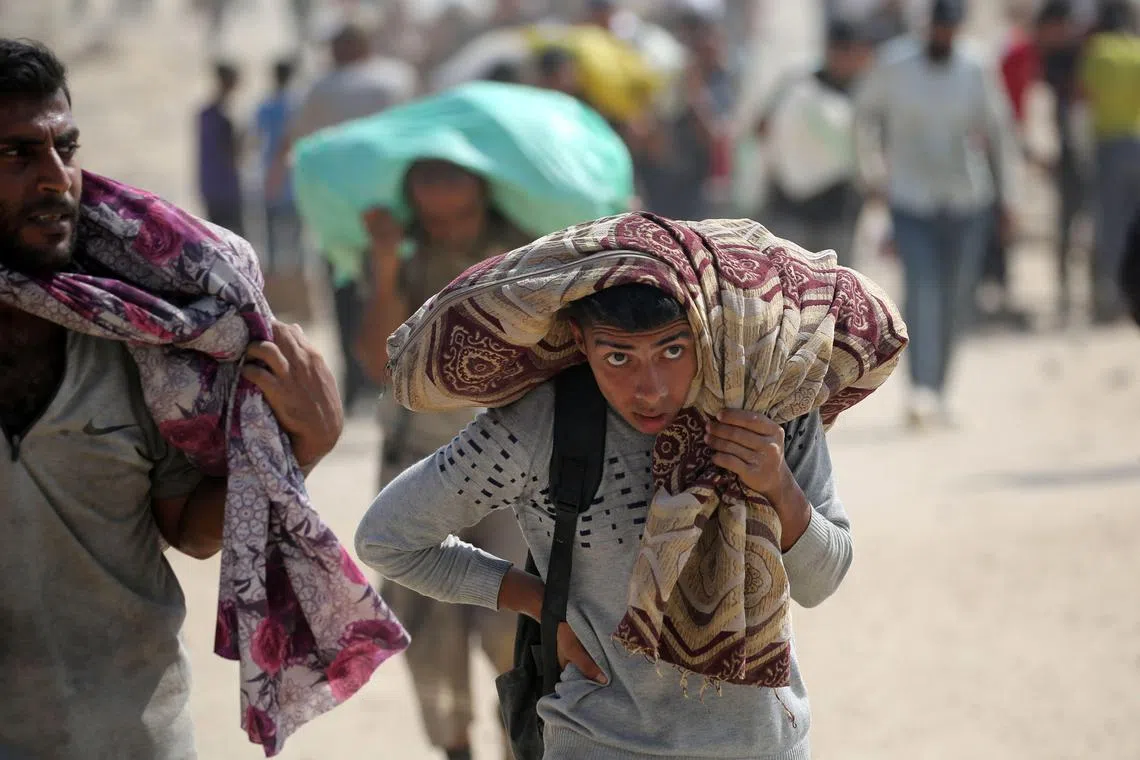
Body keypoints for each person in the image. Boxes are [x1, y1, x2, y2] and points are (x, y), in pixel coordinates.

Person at [355, 263, 865, 759]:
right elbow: (387, 538)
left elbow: (822, 583)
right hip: (600, 742)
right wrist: (538, 603)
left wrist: (778, 484)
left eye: (672, 350)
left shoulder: (769, 407)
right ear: (580, 341)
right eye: (619, 358)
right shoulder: (543, 425)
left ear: (707, 330)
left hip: (765, 746)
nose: (650, 388)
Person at [0, 38, 345, 758]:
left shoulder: (140, 344)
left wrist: (299, 447)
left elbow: (188, 531)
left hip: (128, 736)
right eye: (17, 155)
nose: (57, 179)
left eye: (65, 148)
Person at [353, 159, 532, 760]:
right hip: (418, 462)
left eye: (452, 177)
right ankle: (455, 748)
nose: (440, 194)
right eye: (428, 179)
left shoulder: (523, 253)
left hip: (513, 468)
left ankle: (519, 740)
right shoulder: (396, 255)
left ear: (481, 183)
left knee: (518, 623)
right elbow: (375, 359)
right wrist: (382, 266)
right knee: (429, 635)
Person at [854, 0, 1019, 427]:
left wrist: (1009, 199)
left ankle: (941, 390)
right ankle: (921, 391)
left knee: (955, 298)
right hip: (911, 201)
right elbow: (863, 116)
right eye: (937, 29)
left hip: (967, 200)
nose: (943, 37)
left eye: (950, 30)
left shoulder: (975, 66)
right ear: (927, 28)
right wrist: (871, 172)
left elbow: (1000, 133)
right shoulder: (895, 65)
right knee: (922, 292)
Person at [269, 17, 418, 409]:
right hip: (396, 210)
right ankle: (398, 380)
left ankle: (355, 385)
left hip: (339, 218)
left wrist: (277, 182)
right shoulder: (398, 78)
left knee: (346, 298)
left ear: (345, 48)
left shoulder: (323, 87)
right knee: (400, 291)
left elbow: (295, 142)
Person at [757, 17, 875, 265]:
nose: (844, 58)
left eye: (850, 50)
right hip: (789, 205)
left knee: (836, 288)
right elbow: (762, 127)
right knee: (789, 286)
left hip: (838, 209)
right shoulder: (797, 82)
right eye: (838, 49)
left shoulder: (866, 91)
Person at [1079, 0, 1140, 324]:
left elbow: (1084, 94)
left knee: (1111, 228)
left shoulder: (1098, 50)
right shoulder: (1137, 49)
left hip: (1109, 147)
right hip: (1138, 143)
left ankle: (1111, 301)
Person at [254, 57, 302, 275]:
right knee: (296, 236)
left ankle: (274, 281)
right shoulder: (297, 104)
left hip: (270, 174)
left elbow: (256, 139)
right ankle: (296, 281)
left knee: (271, 235)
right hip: (293, 176)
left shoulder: (266, 105)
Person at [195, 60, 244, 236]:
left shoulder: (204, 113)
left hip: (209, 186)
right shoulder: (226, 117)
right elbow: (233, 154)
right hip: (227, 189)